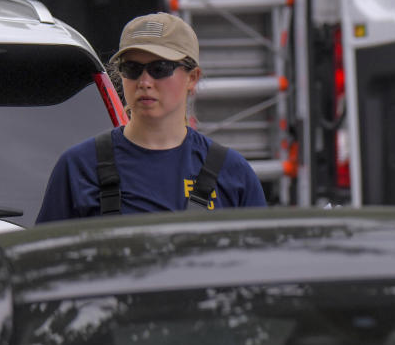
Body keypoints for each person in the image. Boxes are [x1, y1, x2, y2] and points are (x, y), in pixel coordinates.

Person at [36, 12, 266, 222]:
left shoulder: (233, 173)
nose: (145, 82)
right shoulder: (79, 168)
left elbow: (261, 263)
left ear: (192, 78)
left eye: (160, 68)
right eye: (132, 68)